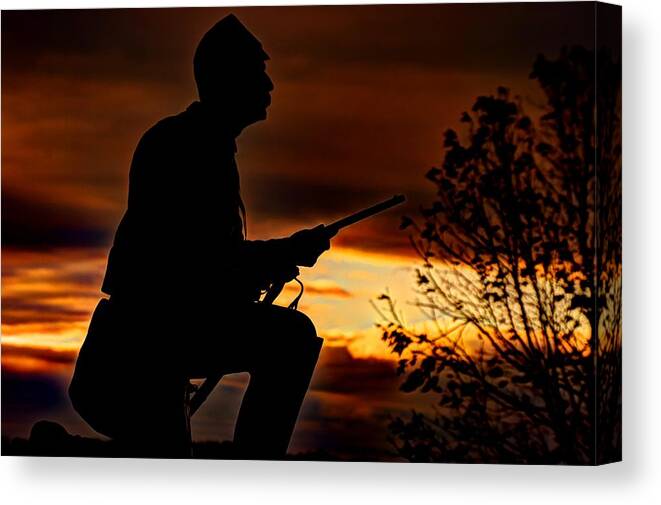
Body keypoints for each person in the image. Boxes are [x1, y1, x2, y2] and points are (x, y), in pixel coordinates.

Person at [70, 14, 332, 459]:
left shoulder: (197, 145)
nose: (269, 86)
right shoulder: (186, 147)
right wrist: (283, 253)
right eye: (258, 74)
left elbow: (208, 266)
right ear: (229, 79)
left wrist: (278, 256)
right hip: (151, 340)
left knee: (163, 461)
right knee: (290, 340)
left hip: (158, 337)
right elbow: (198, 267)